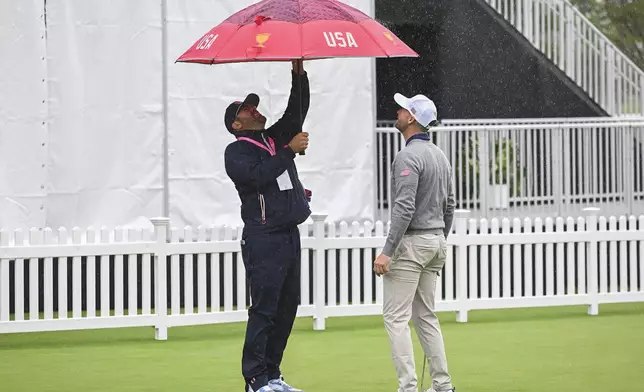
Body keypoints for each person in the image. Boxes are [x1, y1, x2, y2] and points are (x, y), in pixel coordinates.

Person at [223, 60, 311, 392]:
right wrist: (289, 150)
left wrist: (298, 74)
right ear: (236, 123)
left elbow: (297, 112)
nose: (256, 111)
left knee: (288, 305)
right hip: (263, 237)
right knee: (265, 309)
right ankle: (255, 379)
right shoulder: (236, 151)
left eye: (256, 107)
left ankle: (273, 374)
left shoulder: (272, 138)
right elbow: (258, 177)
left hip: (288, 233)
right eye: (248, 109)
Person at [373, 93, 456, 392]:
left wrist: (387, 251)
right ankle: (443, 385)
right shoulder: (440, 155)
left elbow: (404, 207)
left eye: (403, 109)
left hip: (413, 243)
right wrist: (439, 240)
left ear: (411, 118)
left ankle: (408, 388)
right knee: (426, 317)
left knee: (396, 318)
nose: (397, 111)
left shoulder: (407, 156)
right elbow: (450, 206)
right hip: (435, 241)